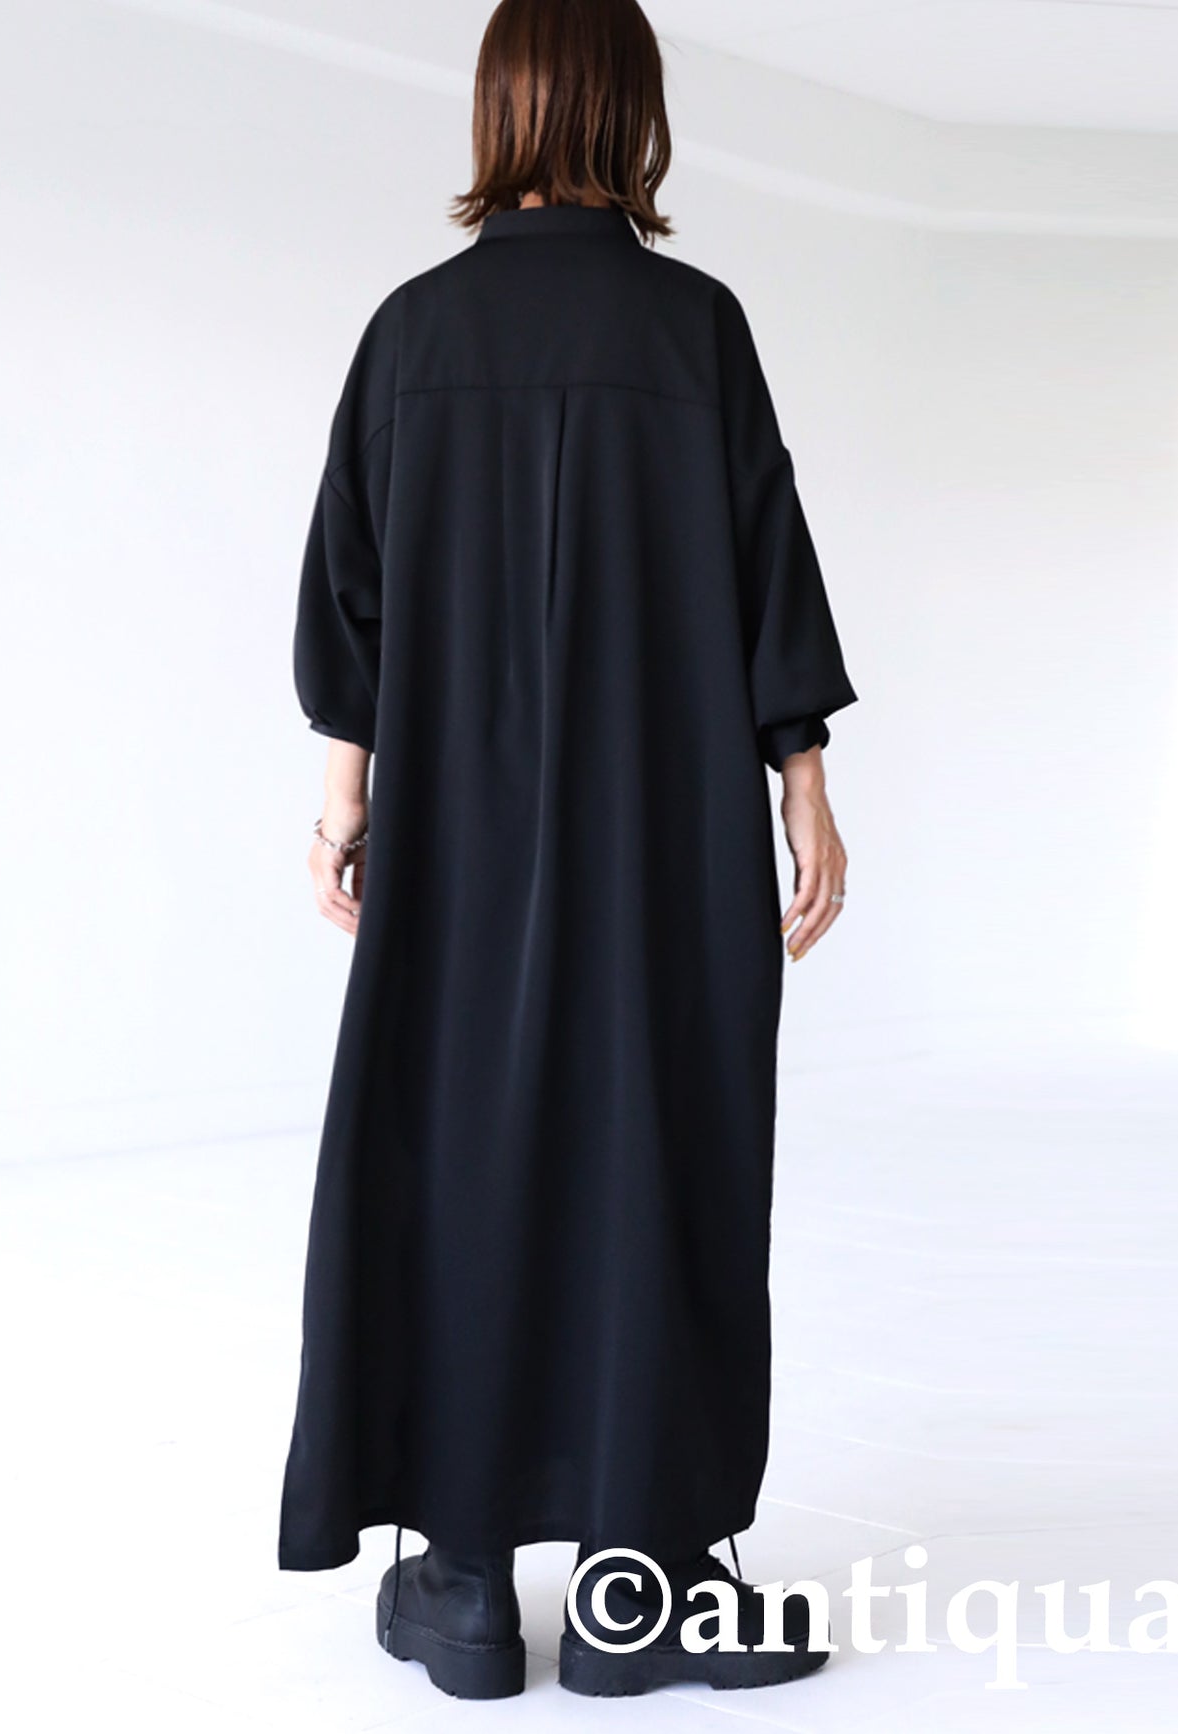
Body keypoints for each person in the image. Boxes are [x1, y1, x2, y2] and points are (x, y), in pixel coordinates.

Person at [279, 0, 858, 1700]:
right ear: (635, 117)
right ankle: (644, 1581)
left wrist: (343, 805)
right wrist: (802, 787)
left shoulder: (410, 334)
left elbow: (349, 595)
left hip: (456, 845)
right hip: (664, 841)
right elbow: (767, 573)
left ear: (497, 112)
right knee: (659, 1150)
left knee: (450, 1154)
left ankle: (463, 1580)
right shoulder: (694, 329)